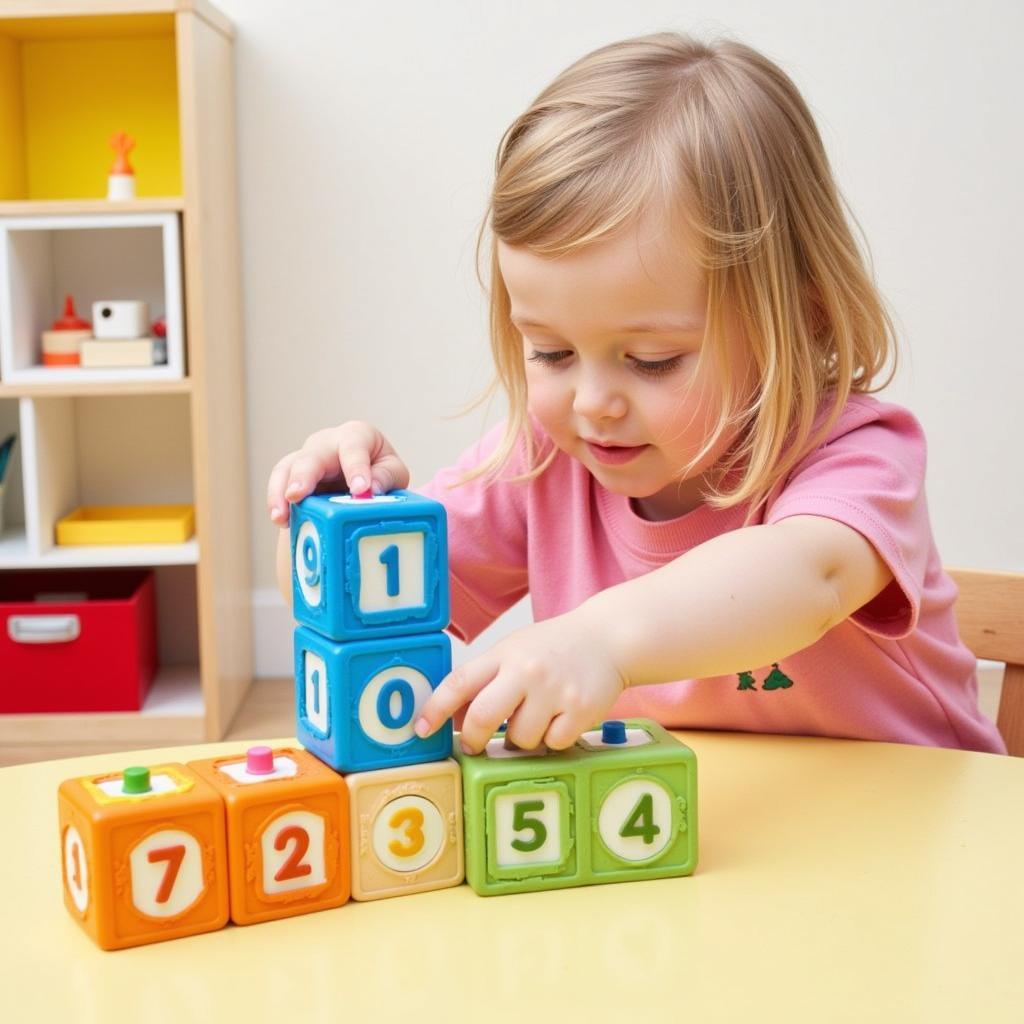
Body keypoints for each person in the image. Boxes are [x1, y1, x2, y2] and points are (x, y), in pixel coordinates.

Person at [267, 33, 1006, 756]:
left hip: (909, 837)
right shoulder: (543, 461)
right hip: (681, 847)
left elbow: (809, 575)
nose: (592, 403)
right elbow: (373, 616)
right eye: (551, 352)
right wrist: (334, 527)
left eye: (652, 360)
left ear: (800, 317)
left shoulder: (855, 454)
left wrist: (598, 641)